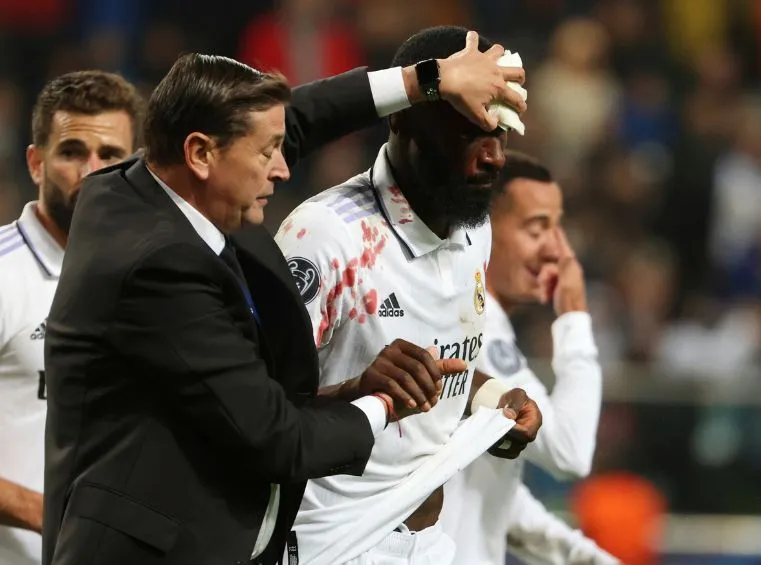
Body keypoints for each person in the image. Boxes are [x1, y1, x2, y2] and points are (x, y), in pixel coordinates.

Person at [42, 37, 527, 565]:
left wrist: (424, 80)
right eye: (267, 151)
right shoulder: (159, 267)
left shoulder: (129, 192)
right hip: (153, 548)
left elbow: (294, 120)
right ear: (201, 153)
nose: (283, 167)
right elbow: (276, 435)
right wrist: (381, 403)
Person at [275, 26, 543, 565]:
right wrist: (360, 391)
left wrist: (495, 404)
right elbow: (253, 416)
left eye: (502, 132)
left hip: (432, 544)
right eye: (470, 130)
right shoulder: (325, 237)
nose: (493, 156)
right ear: (401, 116)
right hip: (330, 544)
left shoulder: (475, 230)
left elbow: (443, 376)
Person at [439, 151, 612, 564]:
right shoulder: (473, 327)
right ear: (485, 229)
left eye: (558, 228)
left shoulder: (479, 322)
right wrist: (573, 317)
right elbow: (570, 452)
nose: (557, 250)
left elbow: (491, 489)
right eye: (537, 229)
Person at [0, 70, 143, 565]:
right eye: (71, 152)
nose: (91, 170)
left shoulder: (152, 279)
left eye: (109, 156)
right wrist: (54, 515)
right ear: (36, 163)